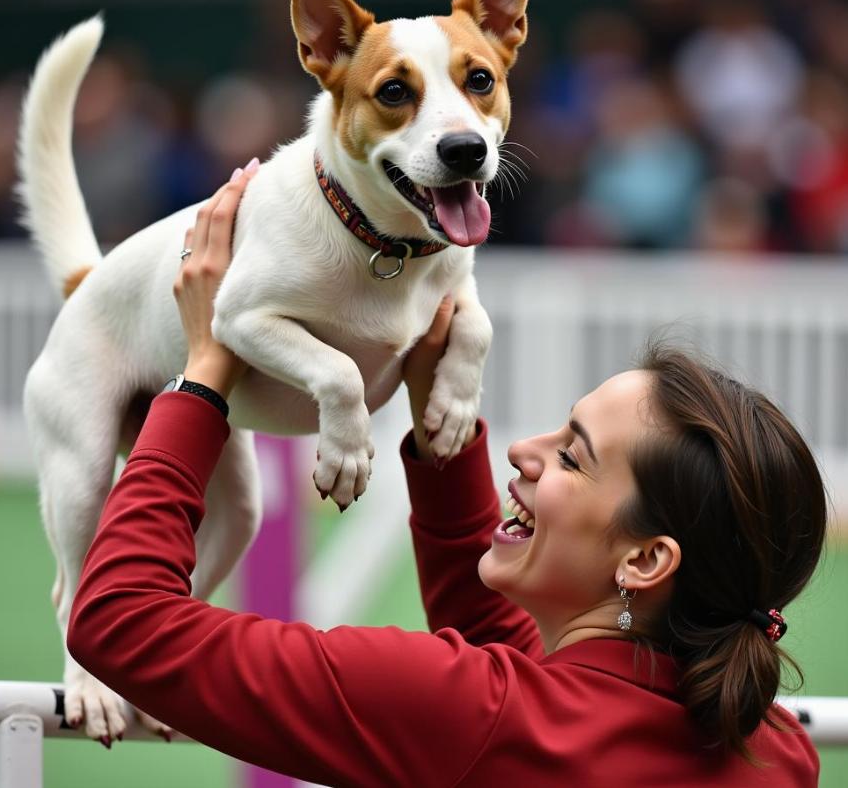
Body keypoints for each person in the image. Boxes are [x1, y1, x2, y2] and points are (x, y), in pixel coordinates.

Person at [68, 167, 826, 786]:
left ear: (646, 560)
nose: (526, 448)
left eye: (571, 454)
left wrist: (202, 373)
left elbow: (123, 623)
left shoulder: (463, 711)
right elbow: (528, 685)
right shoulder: (777, 751)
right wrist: (442, 427)